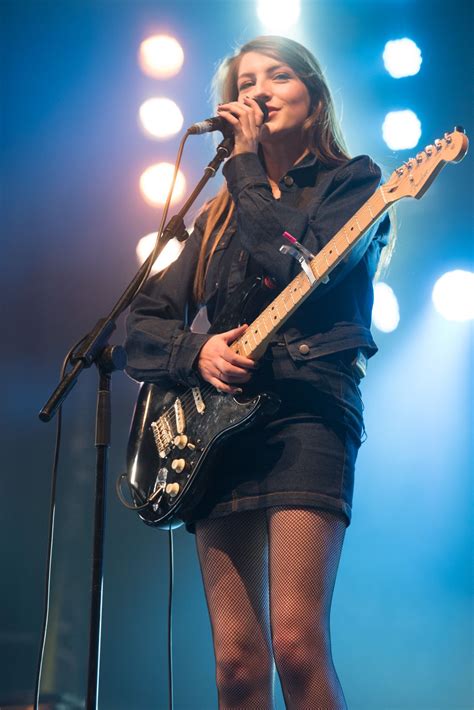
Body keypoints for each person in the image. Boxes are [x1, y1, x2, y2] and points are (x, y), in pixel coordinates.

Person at [125, 35, 391, 710]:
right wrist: (198, 353)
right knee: (236, 664)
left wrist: (243, 166)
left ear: (316, 96)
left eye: (278, 76)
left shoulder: (353, 184)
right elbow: (142, 327)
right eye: (246, 83)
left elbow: (286, 261)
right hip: (216, 430)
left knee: (297, 644)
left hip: (307, 412)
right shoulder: (209, 216)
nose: (260, 91)